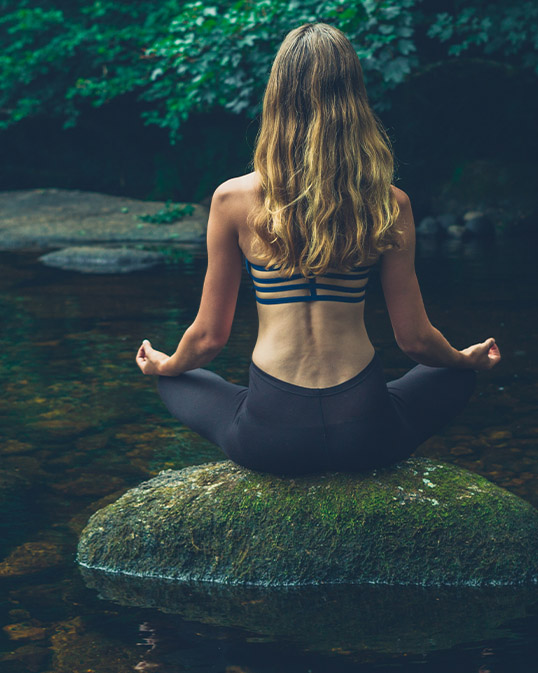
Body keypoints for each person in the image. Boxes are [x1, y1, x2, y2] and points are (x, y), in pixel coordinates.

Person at [135, 23, 501, 476]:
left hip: (270, 436)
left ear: (276, 97)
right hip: (364, 431)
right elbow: (415, 340)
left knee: (178, 379)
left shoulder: (231, 200)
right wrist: (463, 358)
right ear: (353, 101)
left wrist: (166, 366)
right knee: (456, 373)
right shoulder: (389, 202)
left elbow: (209, 339)